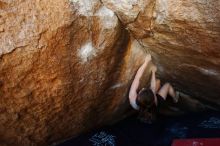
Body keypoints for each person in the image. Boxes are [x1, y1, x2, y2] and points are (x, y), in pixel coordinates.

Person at [129, 54, 179, 123]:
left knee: (158, 81)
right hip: (156, 105)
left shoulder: (132, 99)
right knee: (167, 85)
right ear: (153, 96)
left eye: (142, 90)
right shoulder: (154, 99)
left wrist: (150, 68)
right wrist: (151, 69)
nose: (143, 88)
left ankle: (160, 87)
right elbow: (152, 87)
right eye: (143, 90)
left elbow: (137, 78)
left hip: (147, 107)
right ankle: (175, 98)